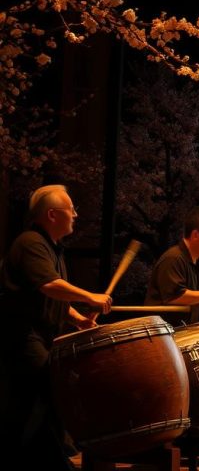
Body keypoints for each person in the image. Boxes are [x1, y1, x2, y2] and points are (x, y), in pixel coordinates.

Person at [0, 185, 113, 471]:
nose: (76, 214)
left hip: (41, 336)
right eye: (71, 209)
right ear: (52, 214)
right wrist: (90, 297)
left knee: (36, 401)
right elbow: (49, 285)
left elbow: (54, 299)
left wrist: (78, 320)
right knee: (49, 389)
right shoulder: (30, 243)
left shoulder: (53, 250)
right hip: (21, 335)